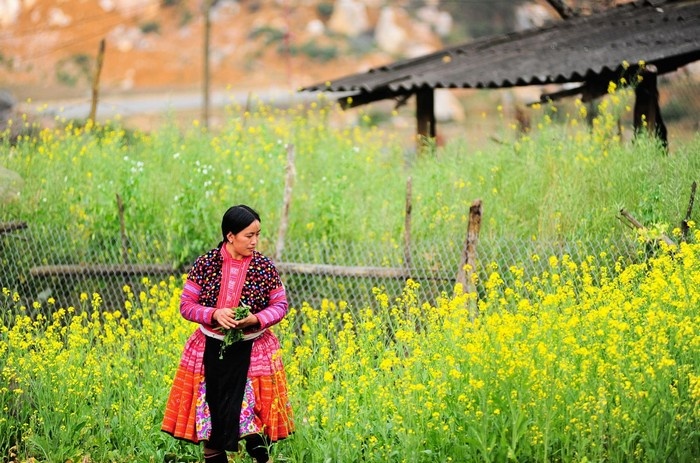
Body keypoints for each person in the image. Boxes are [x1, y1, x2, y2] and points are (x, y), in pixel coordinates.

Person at [162, 204, 294, 463]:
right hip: (211, 348)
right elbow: (186, 305)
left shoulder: (264, 267)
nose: (255, 241)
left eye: (258, 234)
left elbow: (280, 305)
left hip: (253, 349)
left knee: (253, 417)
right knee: (212, 415)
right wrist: (214, 314)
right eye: (249, 235)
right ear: (230, 235)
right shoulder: (206, 263)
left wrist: (255, 319)